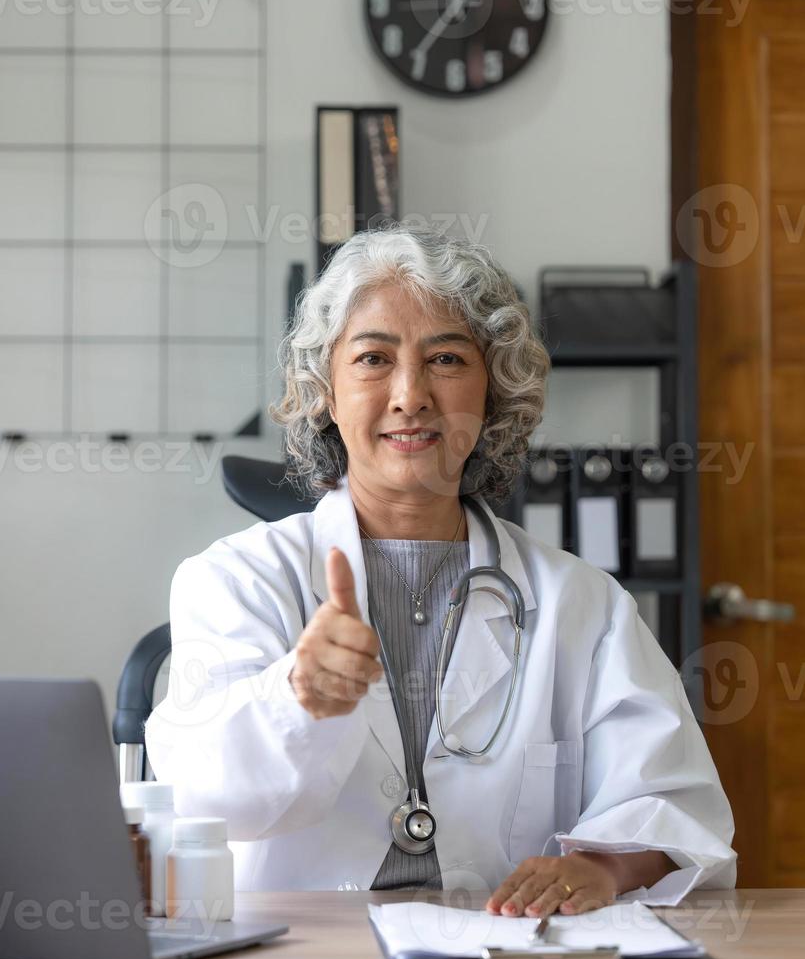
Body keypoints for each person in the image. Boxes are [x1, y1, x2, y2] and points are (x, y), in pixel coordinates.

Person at [144, 227, 735, 917]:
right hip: (301, 954)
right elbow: (201, 796)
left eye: (447, 359)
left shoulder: (582, 602)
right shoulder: (236, 580)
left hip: (503, 951)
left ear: (493, 392)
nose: (410, 395)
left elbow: (671, 797)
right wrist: (296, 695)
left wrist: (603, 867)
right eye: (372, 358)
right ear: (327, 392)